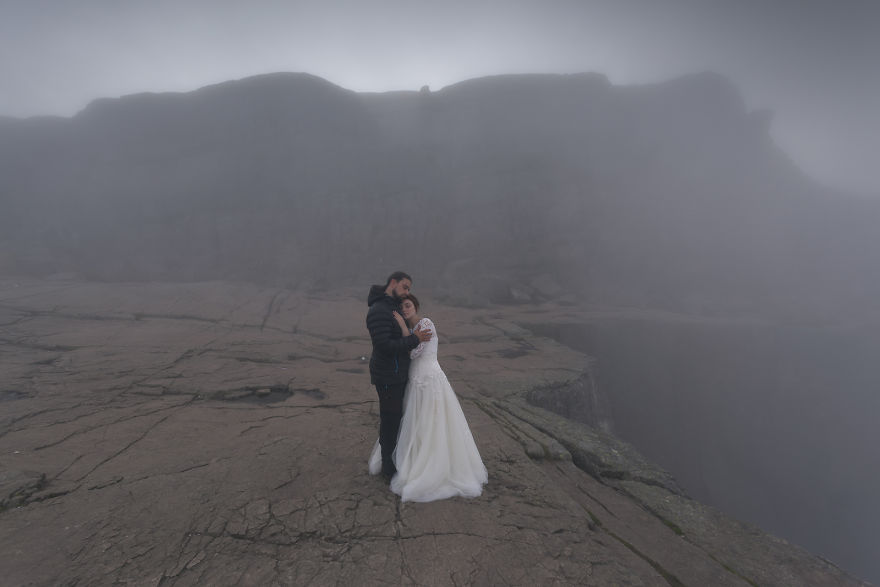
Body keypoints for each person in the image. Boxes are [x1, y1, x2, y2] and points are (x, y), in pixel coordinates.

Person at [370, 293, 488, 502]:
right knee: (415, 421)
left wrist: (405, 331)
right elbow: (409, 347)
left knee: (432, 421)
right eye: (402, 308)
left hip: (429, 378)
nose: (405, 310)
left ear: (415, 306)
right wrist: (407, 335)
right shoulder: (411, 331)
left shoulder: (426, 323)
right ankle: (413, 459)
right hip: (414, 379)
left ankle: (435, 464)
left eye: (408, 306)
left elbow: (414, 353)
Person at [366, 272, 432, 479]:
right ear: (392, 283)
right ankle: (388, 469)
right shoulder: (379, 310)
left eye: (409, 289)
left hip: (397, 375)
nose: (407, 292)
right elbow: (384, 346)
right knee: (390, 420)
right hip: (387, 377)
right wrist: (415, 339)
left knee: (397, 419)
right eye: (405, 287)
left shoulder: (392, 307)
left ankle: (396, 460)